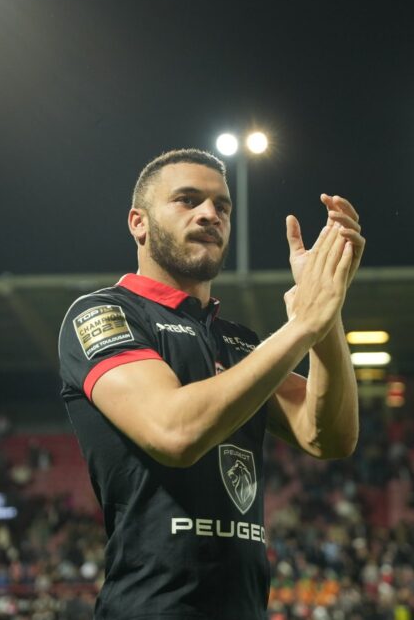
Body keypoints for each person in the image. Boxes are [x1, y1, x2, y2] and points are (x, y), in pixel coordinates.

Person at [58, 148, 365, 618]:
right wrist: (302, 325)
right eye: (187, 200)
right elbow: (173, 432)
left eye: (222, 206)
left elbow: (329, 436)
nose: (210, 214)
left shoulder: (240, 343)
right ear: (138, 223)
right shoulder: (105, 313)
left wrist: (328, 314)